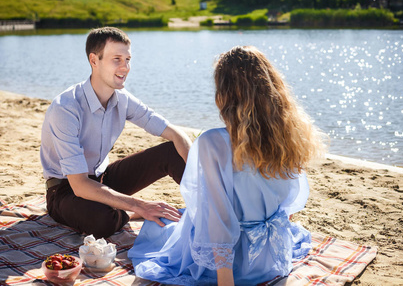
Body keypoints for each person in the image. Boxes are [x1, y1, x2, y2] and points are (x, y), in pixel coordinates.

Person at [128, 46, 325, 285]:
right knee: (178, 219)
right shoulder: (289, 135)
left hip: (232, 266)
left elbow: (217, 216)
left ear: (226, 94)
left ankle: (141, 214)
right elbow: (289, 202)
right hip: (271, 259)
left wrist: (225, 281)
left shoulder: (214, 143)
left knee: (161, 231)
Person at [40, 27, 192, 239]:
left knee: (172, 151)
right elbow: (80, 185)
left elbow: (175, 133)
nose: (125, 67)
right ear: (94, 60)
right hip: (65, 190)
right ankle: (128, 212)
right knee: (102, 221)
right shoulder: (65, 108)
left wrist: (201, 178)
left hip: (103, 179)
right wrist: (141, 206)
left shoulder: (123, 99)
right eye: (117, 59)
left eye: (128, 59)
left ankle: (209, 211)